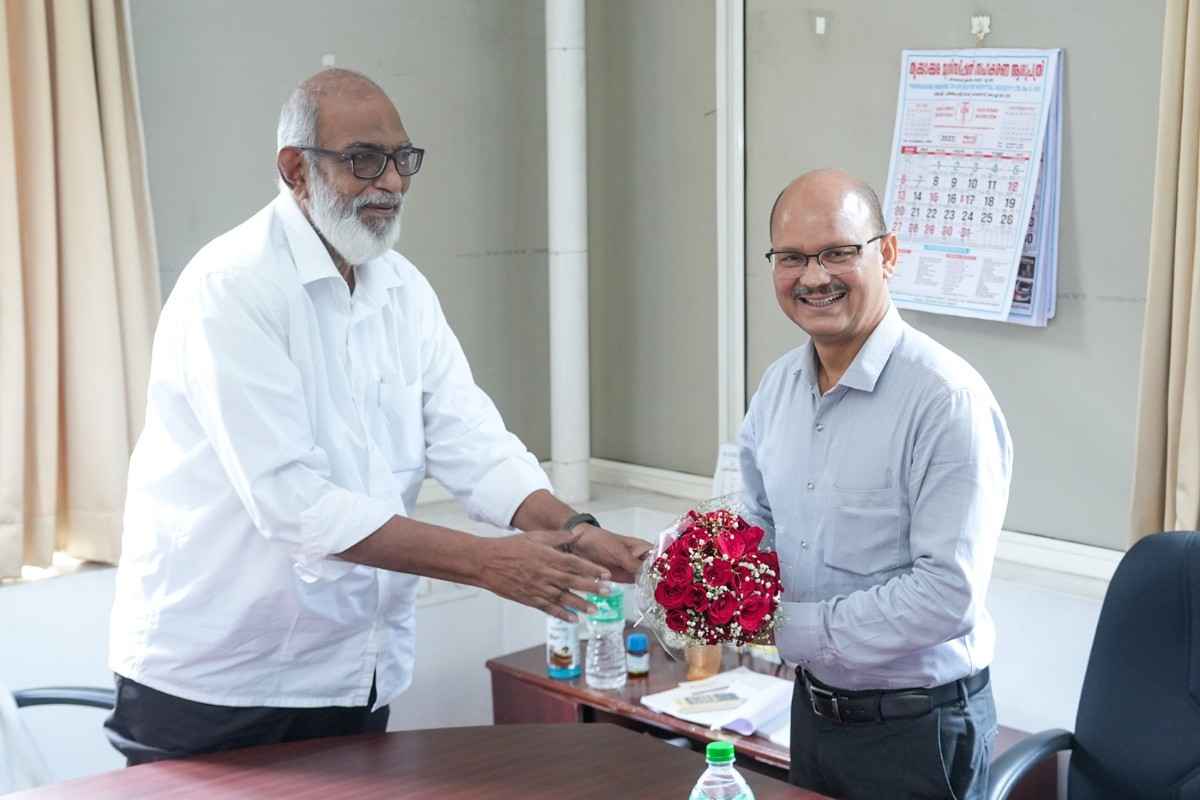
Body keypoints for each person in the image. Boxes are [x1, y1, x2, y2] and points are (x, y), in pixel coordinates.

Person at [104, 68, 649, 764]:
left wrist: (575, 530)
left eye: (402, 160)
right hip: (217, 682)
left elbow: (471, 439)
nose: (389, 182)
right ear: (296, 170)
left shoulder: (403, 289)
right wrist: (486, 564)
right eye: (363, 160)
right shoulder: (232, 287)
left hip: (349, 674)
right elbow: (293, 504)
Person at [739, 169, 1012, 799]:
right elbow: (753, 527)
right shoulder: (778, 388)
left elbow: (947, 594)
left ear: (886, 254)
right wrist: (693, 579)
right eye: (791, 258)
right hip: (811, 713)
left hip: (918, 729)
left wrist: (786, 629)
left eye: (838, 252)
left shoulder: (945, 399)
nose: (813, 277)